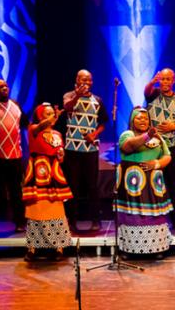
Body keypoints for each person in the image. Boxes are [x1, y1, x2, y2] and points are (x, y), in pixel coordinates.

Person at [115, 108, 175, 259]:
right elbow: (128, 146)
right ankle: (128, 248)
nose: (143, 120)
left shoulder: (157, 137)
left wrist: (155, 163)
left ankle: (155, 247)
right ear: (132, 121)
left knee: (153, 214)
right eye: (139, 118)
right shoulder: (127, 134)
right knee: (133, 213)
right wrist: (146, 137)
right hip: (133, 182)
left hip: (153, 182)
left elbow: (167, 156)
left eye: (146, 118)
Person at [22, 103, 73, 261]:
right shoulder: (33, 129)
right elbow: (41, 127)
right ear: (39, 116)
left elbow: (60, 156)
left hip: (53, 172)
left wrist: (60, 155)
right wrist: (52, 118)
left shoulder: (57, 134)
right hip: (38, 171)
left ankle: (59, 248)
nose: (51, 116)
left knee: (56, 209)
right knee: (35, 209)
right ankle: (32, 249)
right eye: (47, 114)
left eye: (53, 113)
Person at [63, 70, 110, 232]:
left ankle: (96, 220)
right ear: (77, 80)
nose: (87, 82)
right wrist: (78, 95)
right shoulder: (69, 96)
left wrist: (94, 133)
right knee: (73, 186)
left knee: (93, 186)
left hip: (90, 148)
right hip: (71, 148)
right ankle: (71, 221)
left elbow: (103, 122)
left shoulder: (97, 100)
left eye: (89, 80)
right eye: (84, 79)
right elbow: (67, 106)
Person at [0, 79, 28, 237]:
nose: (5, 89)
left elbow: (27, 124)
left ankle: (20, 222)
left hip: (13, 156)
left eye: (6, 86)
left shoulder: (15, 105)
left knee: (16, 191)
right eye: (0, 87)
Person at [145, 68, 175, 230]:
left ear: (173, 81)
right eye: (162, 79)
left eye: (167, 79)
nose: (164, 82)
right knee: (152, 182)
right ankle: (153, 217)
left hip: (169, 147)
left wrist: (173, 126)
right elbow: (147, 91)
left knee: (172, 184)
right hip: (152, 146)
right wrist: (151, 82)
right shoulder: (154, 93)